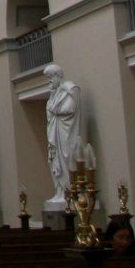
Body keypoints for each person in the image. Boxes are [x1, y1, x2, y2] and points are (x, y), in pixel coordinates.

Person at [44, 63, 82, 204]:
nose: (49, 82)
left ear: (57, 76)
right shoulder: (55, 92)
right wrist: (53, 96)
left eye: (50, 78)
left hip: (65, 133)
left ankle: (69, 190)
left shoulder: (71, 89)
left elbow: (69, 109)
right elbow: (49, 109)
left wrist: (54, 107)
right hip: (55, 132)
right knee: (54, 160)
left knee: (66, 158)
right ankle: (60, 191)